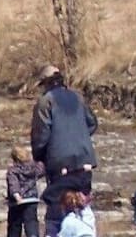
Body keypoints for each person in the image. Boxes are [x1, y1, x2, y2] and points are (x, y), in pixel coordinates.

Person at [30, 66, 97, 236]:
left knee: (58, 206)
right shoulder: (77, 97)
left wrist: (39, 156)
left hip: (59, 162)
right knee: (82, 203)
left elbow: (41, 135)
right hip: (85, 159)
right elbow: (92, 123)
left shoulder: (46, 101)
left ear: (45, 83)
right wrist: (78, 137)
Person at [7, 146, 45, 237]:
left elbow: (13, 184)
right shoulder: (34, 168)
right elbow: (42, 169)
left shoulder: (13, 170)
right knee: (31, 221)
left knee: (14, 224)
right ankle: (33, 235)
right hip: (31, 199)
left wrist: (16, 195)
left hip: (17, 202)